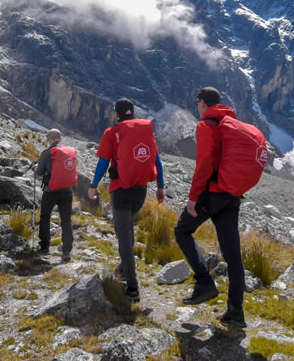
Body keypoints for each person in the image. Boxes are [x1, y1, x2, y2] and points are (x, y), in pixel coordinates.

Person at [174, 86, 247, 328]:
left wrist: (193, 198)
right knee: (233, 256)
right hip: (232, 196)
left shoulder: (207, 125)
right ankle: (236, 312)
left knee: (182, 231)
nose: (197, 108)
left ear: (203, 103)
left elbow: (204, 164)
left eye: (197, 104)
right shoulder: (232, 123)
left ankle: (204, 282)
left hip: (211, 195)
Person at [88, 98, 166, 302]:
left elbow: (103, 162)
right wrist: (160, 187)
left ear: (117, 114)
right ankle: (124, 266)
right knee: (128, 228)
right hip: (141, 190)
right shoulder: (145, 130)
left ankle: (132, 288)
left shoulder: (112, 133)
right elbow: (156, 159)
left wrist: (93, 185)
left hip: (121, 191)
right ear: (133, 112)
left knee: (123, 237)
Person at [34, 128, 77, 262]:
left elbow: (39, 173)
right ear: (60, 138)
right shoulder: (70, 152)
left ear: (51, 139)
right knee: (66, 220)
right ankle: (67, 251)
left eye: (49, 139)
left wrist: (36, 168)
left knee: (45, 217)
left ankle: (45, 247)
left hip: (50, 191)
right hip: (67, 191)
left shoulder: (47, 153)